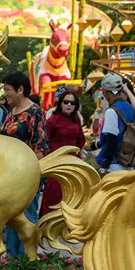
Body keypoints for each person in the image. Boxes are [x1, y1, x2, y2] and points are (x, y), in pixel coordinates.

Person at [0, 72, 48, 258]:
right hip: (9, 175)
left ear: (20, 90)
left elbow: (40, 145)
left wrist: (34, 177)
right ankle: (12, 258)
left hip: (27, 175)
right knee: (11, 217)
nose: (5, 93)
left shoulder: (34, 112)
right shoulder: (10, 113)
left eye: (7, 89)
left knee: (28, 216)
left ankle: (28, 259)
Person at [40, 89, 86, 217]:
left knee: (71, 192)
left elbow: (81, 140)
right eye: (66, 102)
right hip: (56, 162)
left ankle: (67, 222)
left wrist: (80, 157)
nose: (69, 105)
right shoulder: (53, 120)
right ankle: (47, 221)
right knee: (53, 192)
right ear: (61, 103)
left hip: (72, 163)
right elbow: (44, 141)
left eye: (72, 103)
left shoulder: (76, 120)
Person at [90, 73, 135, 176]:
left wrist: (104, 166)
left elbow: (112, 141)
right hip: (130, 163)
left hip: (114, 165)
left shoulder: (111, 111)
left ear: (105, 92)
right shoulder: (132, 109)